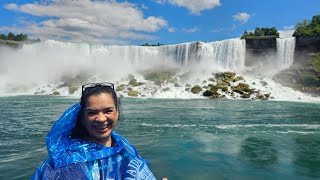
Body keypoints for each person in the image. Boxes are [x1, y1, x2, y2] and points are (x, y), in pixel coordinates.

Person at [32, 82, 156, 180]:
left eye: (108, 111)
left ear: (117, 113)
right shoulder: (64, 160)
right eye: (92, 113)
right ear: (82, 117)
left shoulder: (126, 150)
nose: (101, 119)